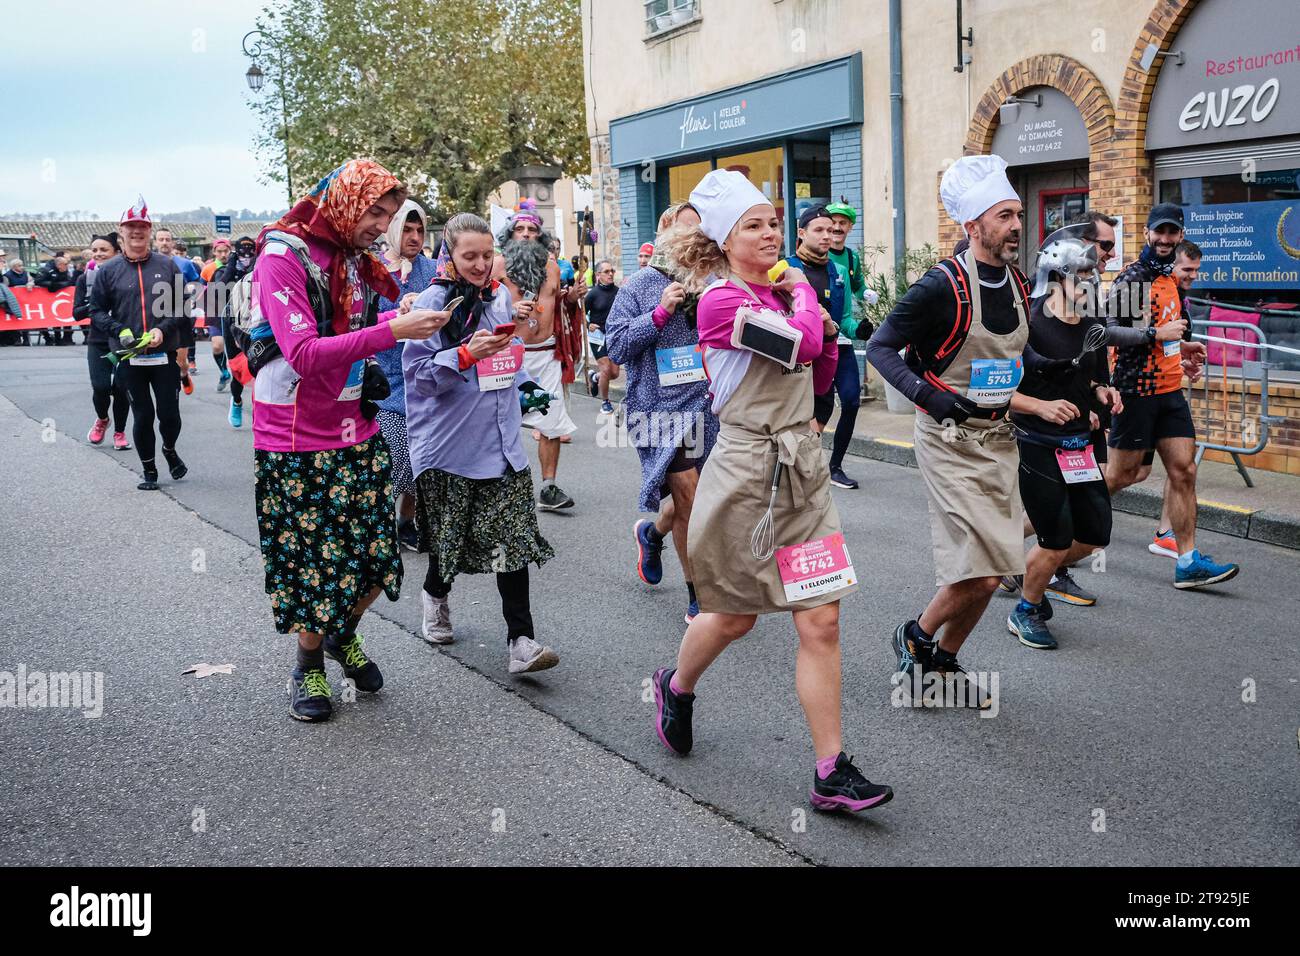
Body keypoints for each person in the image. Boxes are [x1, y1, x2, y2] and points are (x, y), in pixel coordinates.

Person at [650, 169, 893, 813]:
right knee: (734, 616)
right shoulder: (720, 302)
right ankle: (676, 686)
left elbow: (827, 357)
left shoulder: (785, 293)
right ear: (723, 242)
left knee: (822, 618)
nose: (770, 235)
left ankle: (829, 772)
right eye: (753, 226)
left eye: (773, 223)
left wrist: (814, 418)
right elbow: (808, 343)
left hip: (801, 467)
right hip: (745, 470)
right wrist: (804, 293)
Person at [867, 155, 1074, 706]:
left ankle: (942, 663)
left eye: (1016, 214)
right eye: (1004, 215)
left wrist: (1054, 367)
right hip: (949, 441)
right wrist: (930, 397)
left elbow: (1012, 348)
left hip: (1000, 437)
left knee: (999, 564)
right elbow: (881, 349)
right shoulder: (941, 286)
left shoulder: (1016, 279)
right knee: (982, 574)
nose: (1016, 224)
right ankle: (914, 637)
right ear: (972, 225)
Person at [249, 159, 449, 723]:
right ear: (344, 202)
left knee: (377, 559)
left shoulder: (357, 260)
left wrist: (397, 311)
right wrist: (392, 331)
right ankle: (307, 664)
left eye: (389, 215)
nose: (380, 225)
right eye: (374, 212)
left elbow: (358, 323)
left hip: (354, 424)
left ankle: (341, 636)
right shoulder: (282, 256)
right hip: (294, 437)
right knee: (317, 565)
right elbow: (305, 353)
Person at [404, 212, 561, 673]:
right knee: (449, 543)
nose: (479, 264)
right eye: (469, 256)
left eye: (487, 255)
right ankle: (435, 595)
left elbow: (507, 354)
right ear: (448, 255)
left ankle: (521, 641)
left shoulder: (496, 298)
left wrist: (527, 385)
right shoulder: (434, 302)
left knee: (512, 543)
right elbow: (418, 377)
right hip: (451, 447)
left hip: (503, 442)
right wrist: (466, 353)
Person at [1105, 226, 1238, 589]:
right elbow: (1110, 332)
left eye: (1173, 233)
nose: (1192, 277)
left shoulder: (1171, 287)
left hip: (1169, 394)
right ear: (1150, 235)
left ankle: (1187, 561)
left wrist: (1185, 354)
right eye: (1187, 271)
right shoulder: (1136, 278)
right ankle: (1048, 528)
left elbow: (1170, 342)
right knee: (1121, 476)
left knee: (1184, 471)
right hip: (1136, 394)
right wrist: (1156, 336)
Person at [1005, 233, 1122, 649]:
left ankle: (1023, 567)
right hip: (1036, 440)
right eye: (1082, 274)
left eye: (1094, 273)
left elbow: (1092, 380)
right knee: (1055, 537)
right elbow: (997, 390)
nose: (1092, 282)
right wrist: (1041, 407)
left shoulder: (1093, 325)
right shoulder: (1029, 324)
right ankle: (1026, 609)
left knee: (1093, 534)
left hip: (1079, 445)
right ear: (1056, 278)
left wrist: (1102, 394)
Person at [607, 201, 718, 623]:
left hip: (707, 406)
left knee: (699, 496)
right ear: (667, 234)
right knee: (689, 498)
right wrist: (659, 314)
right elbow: (615, 347)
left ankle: (651, 534)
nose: (697, 239)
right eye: (687, 231)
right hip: (658, 409)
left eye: (702, 232)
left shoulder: (716, 282)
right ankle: (699, 595)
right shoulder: (639, 284)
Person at [89, 196, 186, 491]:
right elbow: (95, 312)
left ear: (150, 230)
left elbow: (181, 307)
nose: (136, 231)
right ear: (121, 230)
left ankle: (169, 449)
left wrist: (162, 330)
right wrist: (119, 331)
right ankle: (149, 470)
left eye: (142, 226)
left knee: (169, 414)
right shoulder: (108, 271)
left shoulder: (167, 266)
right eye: (131, 226)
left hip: (163, 353)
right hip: (128, 356)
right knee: (143, 413)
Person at [496, 200, 584, 510]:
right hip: (508, 356)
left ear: (540, 236)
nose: (526, 234)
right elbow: (481, 309)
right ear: (509, 235)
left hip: (546, 354)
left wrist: (570, 298)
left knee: (550, 420)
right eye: (519, 229)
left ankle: (548, 487)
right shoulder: (496, 266)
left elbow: (557, 306)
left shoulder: (551, 267)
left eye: (532, 229)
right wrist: (507, 309)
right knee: (501, 422)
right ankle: (502, 484)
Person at [771, 206, 860, 490]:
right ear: (801, 233)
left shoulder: (841, 271)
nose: (827, 236)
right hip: (801, 355)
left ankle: (832, 467)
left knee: (850, 401)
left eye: (831, 230)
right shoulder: (784, 267)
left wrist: (861, 329)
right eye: (819, 230)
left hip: (835, 347)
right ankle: (801, 472)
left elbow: (844, 318)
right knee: (802, 419)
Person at [375, 199, 438, 551]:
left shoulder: (432, 268)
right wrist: (397, 313)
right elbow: (362, 319)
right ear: (393, 228)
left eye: (420, 230)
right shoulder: (374, 269)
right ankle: (382, 523)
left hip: (424, 377)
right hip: (385, 377)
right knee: (395, 457)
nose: (414, 237)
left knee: (422, 460)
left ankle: (406, 520)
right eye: (407, 229)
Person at [75, 233, 131, 451]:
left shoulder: (127, 277)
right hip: (98, 340)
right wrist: (95, 305)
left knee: (121, 388)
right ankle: (102, 420)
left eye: (103, 250)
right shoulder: (84, 279)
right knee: (100, 387)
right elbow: (77, 313)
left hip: (123, 341)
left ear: (116, 252)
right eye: (95, 250)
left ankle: (120, 432)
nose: (98, 254)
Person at [214, 237, 257, 426]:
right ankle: (237, 401)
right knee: (238, 370)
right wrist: (232, 264)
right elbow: (219, 291)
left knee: (260, 368)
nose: (246, 254)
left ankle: (262, 412)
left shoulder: (260, 267)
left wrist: (255, 264)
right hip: (232, 323)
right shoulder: (223, 271)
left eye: (250, 250)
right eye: (242, 250)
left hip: (256, 322)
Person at [583, 259, 621, 414]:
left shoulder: (619, 292)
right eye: (606, 271)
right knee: (606, 369)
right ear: (598, 275)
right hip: (598, 336)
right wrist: (587, 325)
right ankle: (605, 402)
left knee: (614, 373)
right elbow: (581, 314)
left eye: (612, 271)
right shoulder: (592, 295)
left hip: (614, 335)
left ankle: (596, 378)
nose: (610, 274)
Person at [34, 256, 78, 344]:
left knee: (66, 316)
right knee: (51, 318)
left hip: (62, 297)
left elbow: (69, 281)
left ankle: (67, 338)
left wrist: (59, 285)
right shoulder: (46, 270)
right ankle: (52, 338)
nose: (67, 266)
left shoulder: (64, 271)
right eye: (65, 264)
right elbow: (38, 281)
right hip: (46, 297)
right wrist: (52, 284)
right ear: (58, 265)